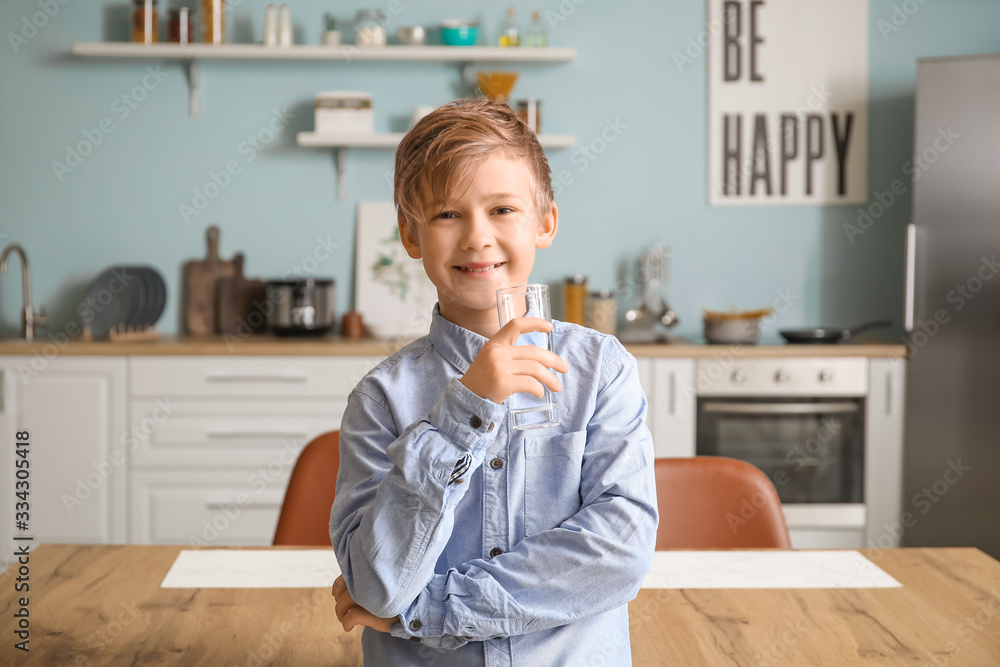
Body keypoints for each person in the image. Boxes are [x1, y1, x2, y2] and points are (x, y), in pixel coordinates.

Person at [329, 97, 658, 665]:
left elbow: (619, 551)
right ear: (410, 237)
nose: (477, 237)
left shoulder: (601, 371)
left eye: (503, 209)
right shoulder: (381, 398)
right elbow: (374, 585)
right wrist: (465, 412)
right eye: (447, 214)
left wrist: (426, 611)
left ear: (545, 222)